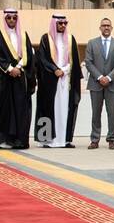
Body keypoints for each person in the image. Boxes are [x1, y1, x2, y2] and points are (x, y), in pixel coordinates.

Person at [0, 8, 36, 149]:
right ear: (5, 19)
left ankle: (18, 141)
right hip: (4, 79)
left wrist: (18, 67)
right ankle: (0, 140)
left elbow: (29, 55)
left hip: (20, 78)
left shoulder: (24, 35)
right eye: (9, 18)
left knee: (20, 109)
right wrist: (10, 69)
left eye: (14, 18)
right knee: (3, 109)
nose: (12, 20)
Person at [35, 13, 83, 148]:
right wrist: (55, 69)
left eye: (65, 23)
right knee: (50, 108)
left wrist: (65, 70)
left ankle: (64, 140)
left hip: (66, 80)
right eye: (60, 23)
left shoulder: (70, 39)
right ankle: (47, 140)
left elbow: (74, 60)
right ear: (54, 23)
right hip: (50, 81)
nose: (62, 26)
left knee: (65, 109)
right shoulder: (46, 38)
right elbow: (42, 59)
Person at [85, 17, 114, 149]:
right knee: (96, 113)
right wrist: (100, 77)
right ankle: (95, 139)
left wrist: (109, 78)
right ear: (100, 28)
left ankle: (111, 139)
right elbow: (88, 62)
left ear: (111, 28)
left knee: (112, 113)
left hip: (112, 85)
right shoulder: (92, 43)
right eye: (103, 25)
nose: (106, 27)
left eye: (108, 25)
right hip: (95, 84)